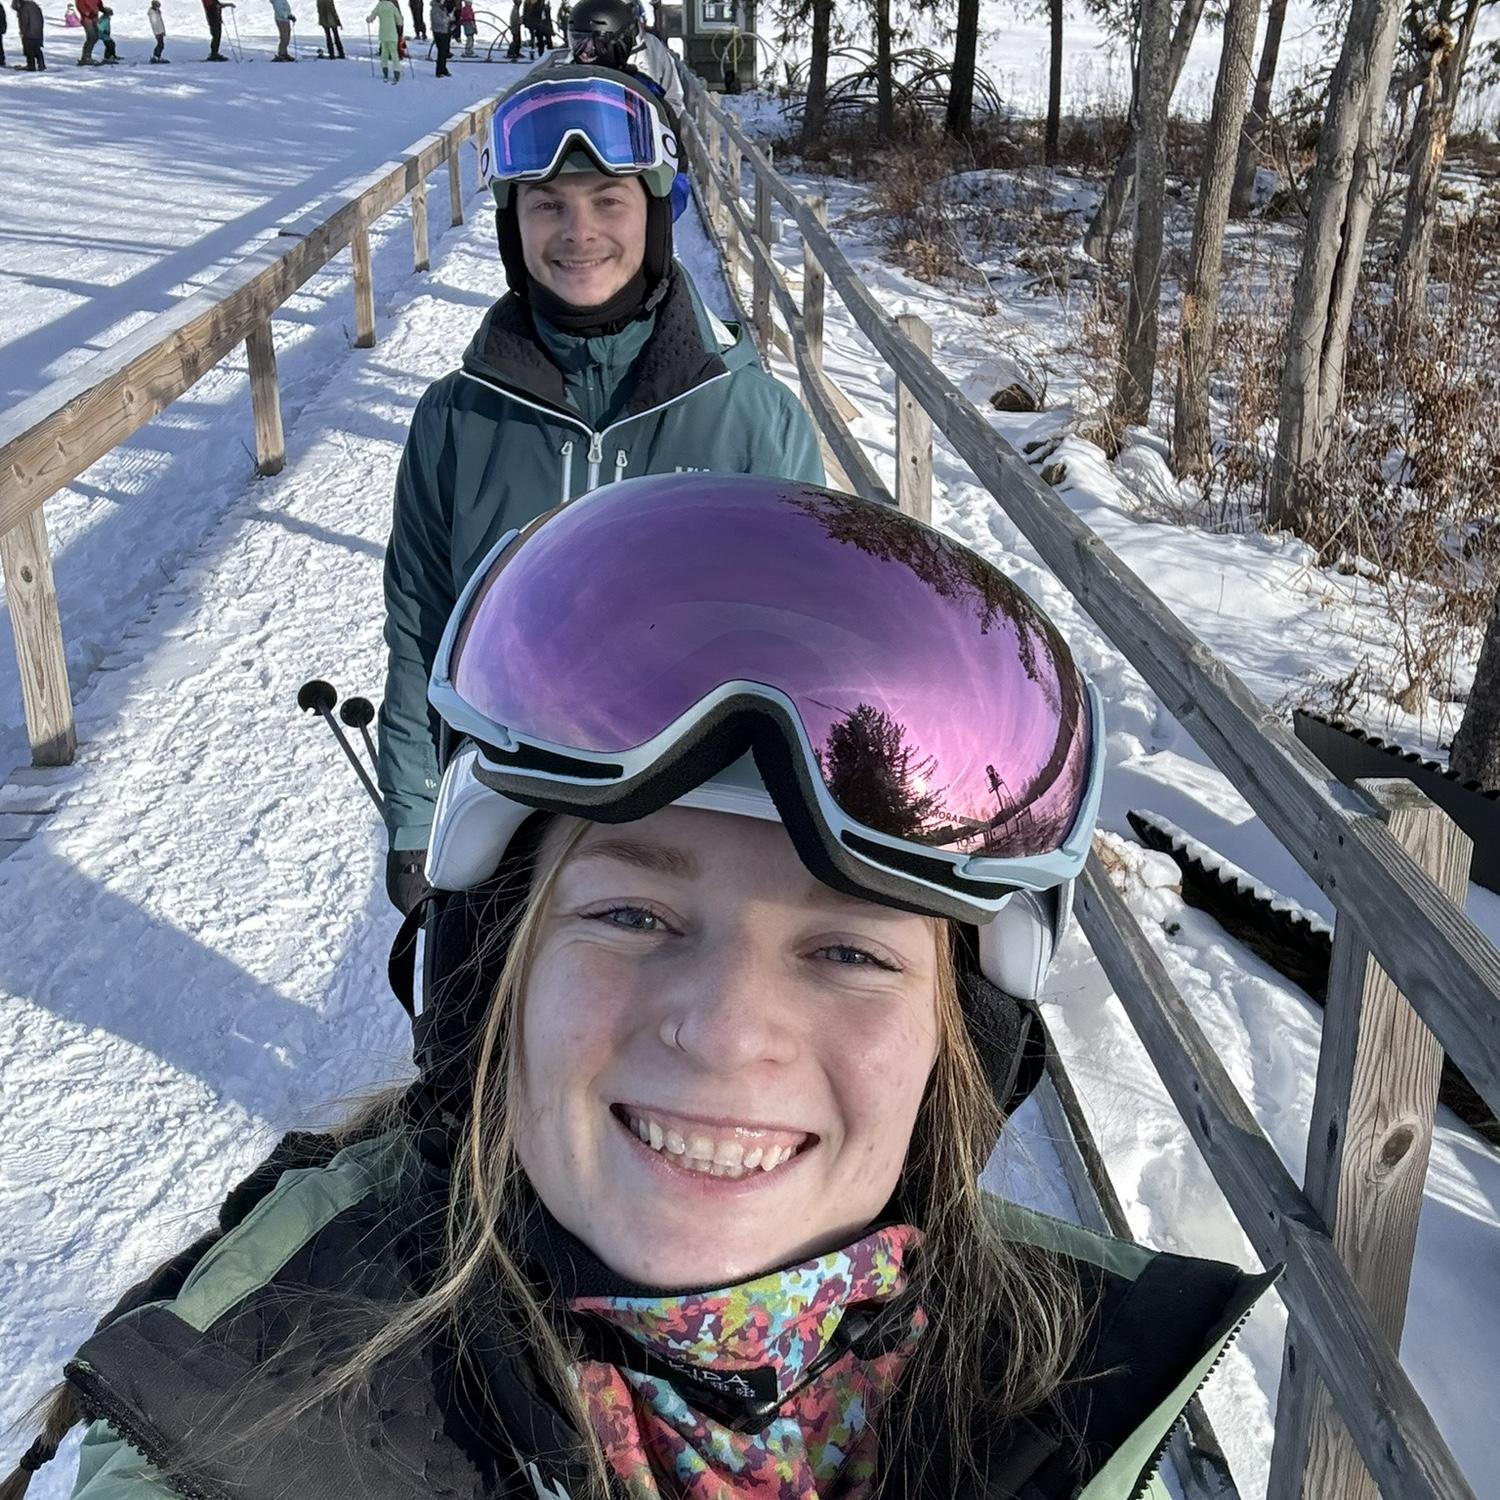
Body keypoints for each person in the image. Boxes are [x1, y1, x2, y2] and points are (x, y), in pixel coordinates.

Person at [12, 475, 1280, 1500]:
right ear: (488, 982)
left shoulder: (1081, 1403)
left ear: (967, 1047)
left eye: (848, 952)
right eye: (632, 915)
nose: (724, 1033)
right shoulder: (231, 1426)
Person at [376, 68, 824, 904]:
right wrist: (414, 815)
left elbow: (802, 655)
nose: (577, 231)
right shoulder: (457, 419)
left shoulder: (752, 420)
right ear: (512, 225)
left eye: (607, 200)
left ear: (655, 211)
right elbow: (420, 627)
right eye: (547, 204)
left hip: (694, 837)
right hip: (504, 821)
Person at [568, 0, 683, 118]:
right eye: (578, 40)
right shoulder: (566, 81)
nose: (585, 51)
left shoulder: (642, 85)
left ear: (619, 41)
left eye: (598, 42)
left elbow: (670, 112)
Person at [367, 0, 401, 76]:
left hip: (383, 34)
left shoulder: (379, 6)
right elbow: (399, 18)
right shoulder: (392, 6)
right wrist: (399, 24)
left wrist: (368, 19)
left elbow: (372, 17)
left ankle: (385, 69)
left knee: (384, 53)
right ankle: (397, 71)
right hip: (392, 34)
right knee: (394, 53)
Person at [15, 0, 44, 66]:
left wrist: (22, 32)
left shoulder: (24, 8)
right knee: (37, 49)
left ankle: (31, 65)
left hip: (28, 32)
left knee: (29, 50)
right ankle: (41, 64)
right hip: (37, 31)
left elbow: (24, 21)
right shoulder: (35, 6)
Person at [429, 0, 451, 71]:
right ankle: (439, 70)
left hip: (445, 31)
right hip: (438, 32)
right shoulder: (435, 9)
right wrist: (448, 19)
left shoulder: (442, 7)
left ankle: (443, 68)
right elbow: (438, 20)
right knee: (441, 52)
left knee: (444, 52)